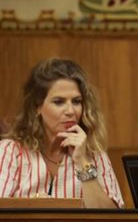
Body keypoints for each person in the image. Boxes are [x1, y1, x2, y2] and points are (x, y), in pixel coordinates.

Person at [0, 58, 123, 208]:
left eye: (76, 101)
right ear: (37, 107)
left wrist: (82, 162)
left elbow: (111, 221)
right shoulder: (10, 152)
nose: (70, 111)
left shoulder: (95, 154)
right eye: (59, 102)